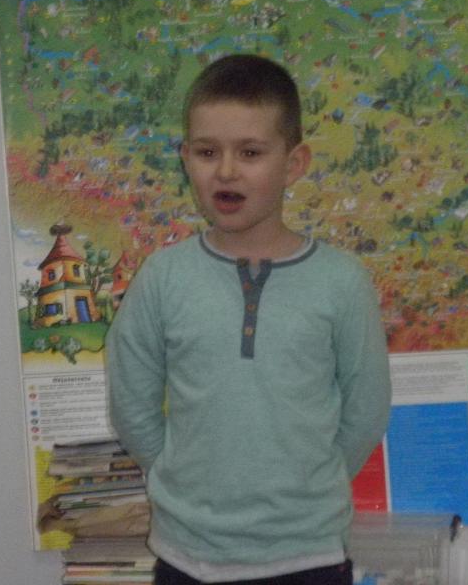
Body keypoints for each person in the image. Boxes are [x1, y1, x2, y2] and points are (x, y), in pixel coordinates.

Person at [106, 53, 392, 585]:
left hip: (308, 559)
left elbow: (366, 409)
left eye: (251, 152)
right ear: (185, 158)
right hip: (187, 557)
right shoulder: (163, 277)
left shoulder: (341, 280)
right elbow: (131, 402)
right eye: (207, 152)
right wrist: (176, 477)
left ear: (294, 163)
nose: (226, 171)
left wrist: (308, 490)